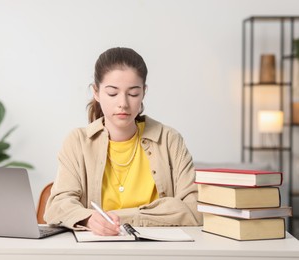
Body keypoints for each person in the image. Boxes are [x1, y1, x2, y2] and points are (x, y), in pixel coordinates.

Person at [44, 47, 202, 236]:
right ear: (96, 92)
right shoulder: (77, 142)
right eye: (112, 93)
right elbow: (56, 207)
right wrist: (88, 219)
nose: (123, 103)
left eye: (133, 94)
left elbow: (195, 209)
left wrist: (121, 218)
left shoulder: (169, 140)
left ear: (144, 92)